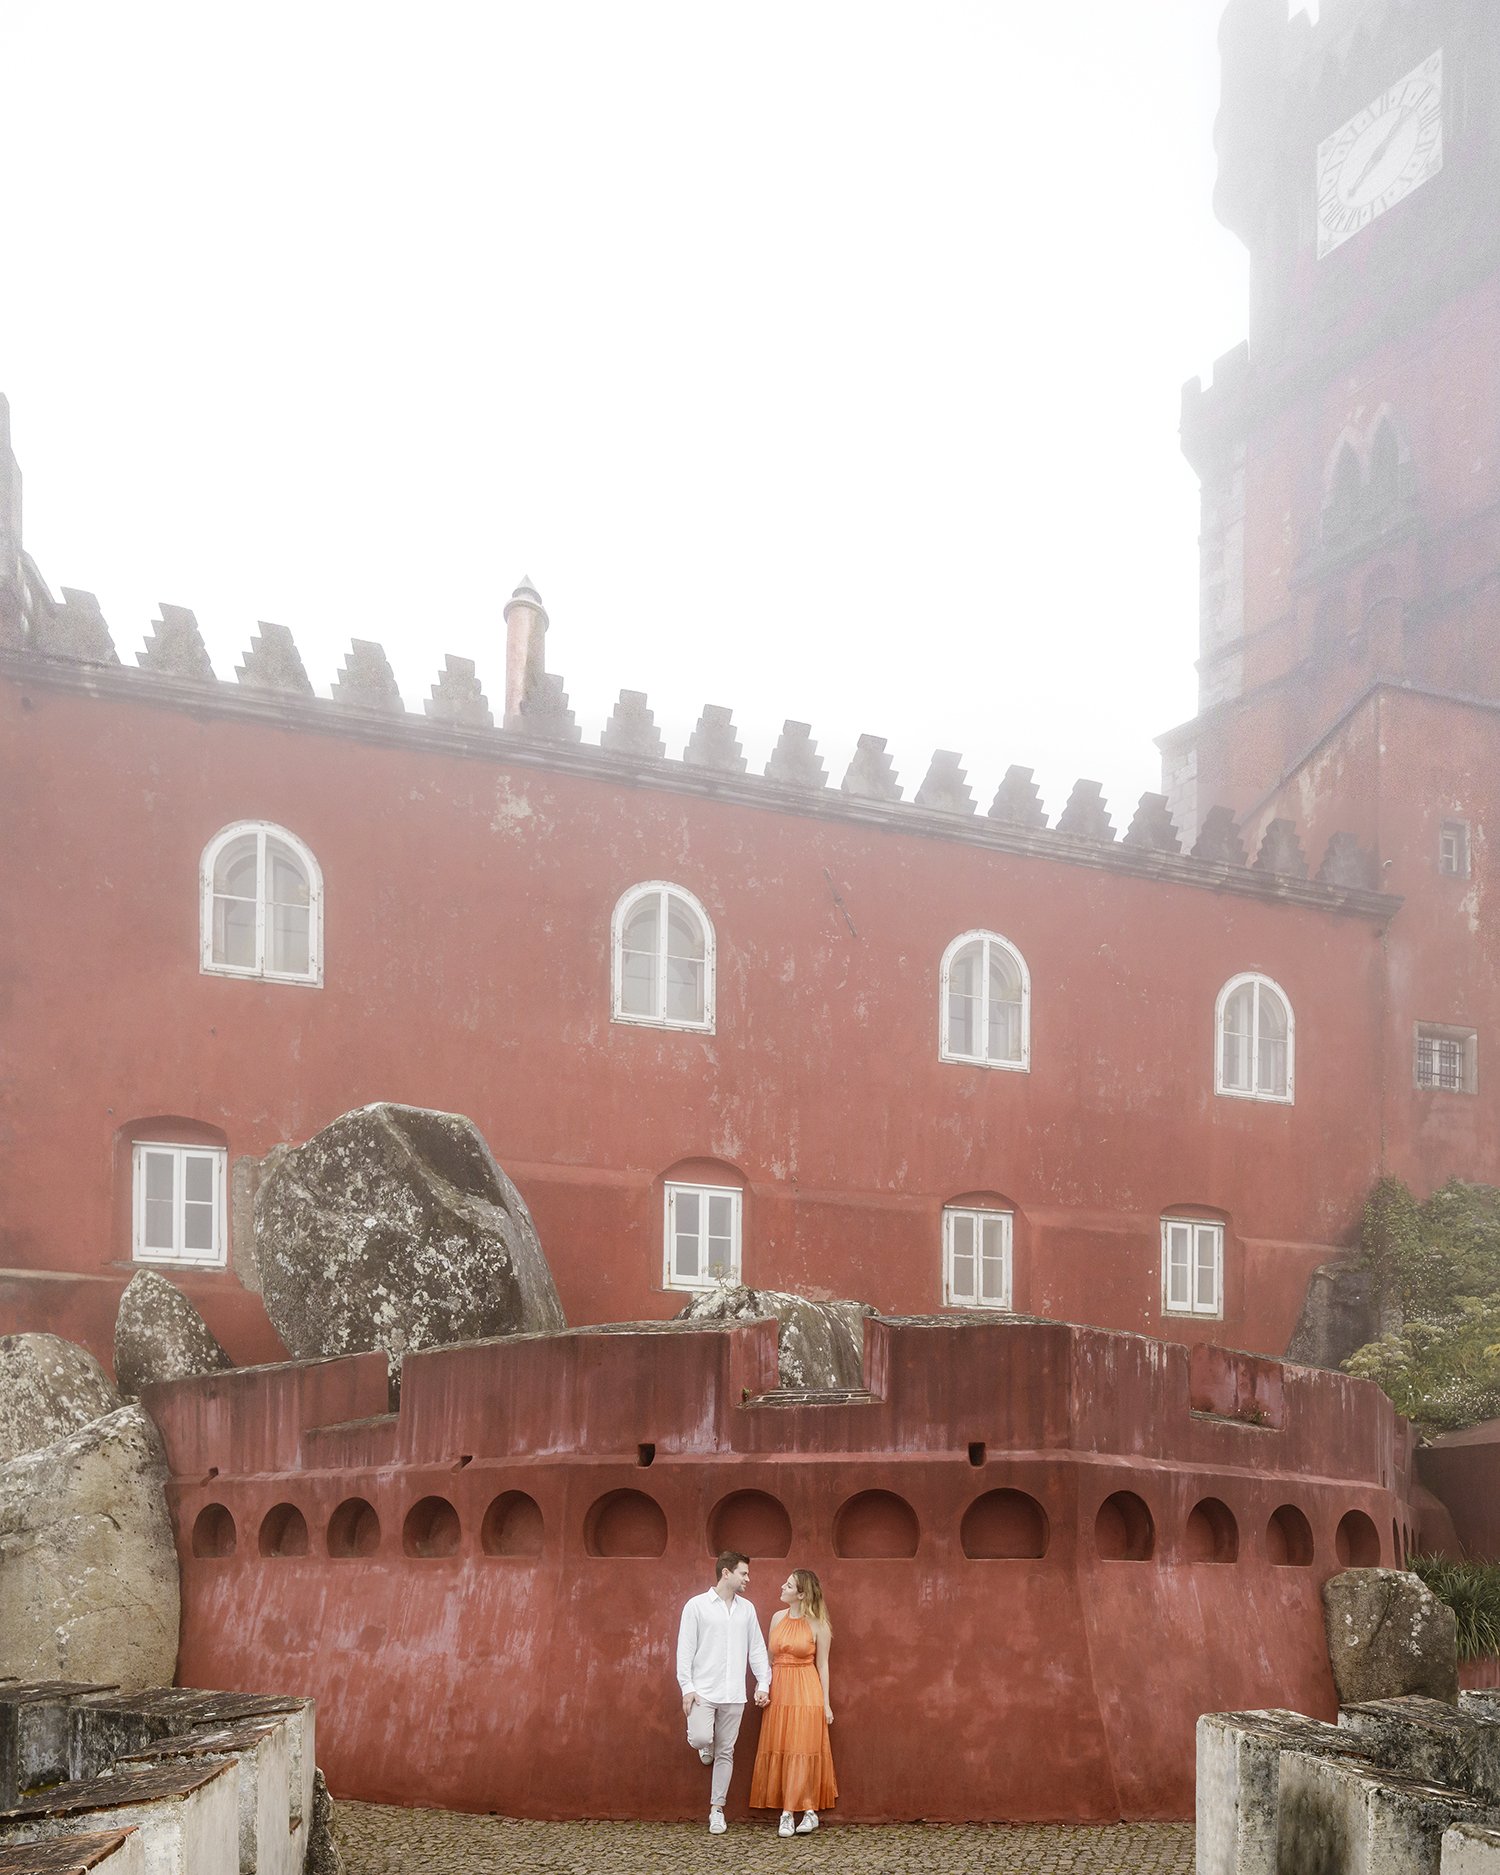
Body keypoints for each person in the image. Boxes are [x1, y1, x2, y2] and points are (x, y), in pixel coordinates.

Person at [676, 1549, 771, 1834]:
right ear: (726, 1573)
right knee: (702, 1738)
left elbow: (757, 1649)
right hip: (703, 1691)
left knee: (726, 1752)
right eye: (744, 1573)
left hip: (734, 1694)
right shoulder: (696, 1606)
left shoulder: (747, 1609)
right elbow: (685, 1649)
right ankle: (706, 1743)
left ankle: (717, 1809)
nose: (748, 1579)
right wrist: (687, 1688)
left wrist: (763, 1683)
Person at [749, 1567, 837, 1837]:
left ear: (801, 1594)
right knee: (784, 1748)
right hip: (780, 1692)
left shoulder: (819, 1624)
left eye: (788, 1585)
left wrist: (826, 1704)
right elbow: (767, 1657)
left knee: (803, 1748)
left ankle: (791, 1813)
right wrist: (763, 1687)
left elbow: (823, 1665)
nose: (781, 1587)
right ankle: (807, 1813)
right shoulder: (777, 1618)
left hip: (806, 1691)